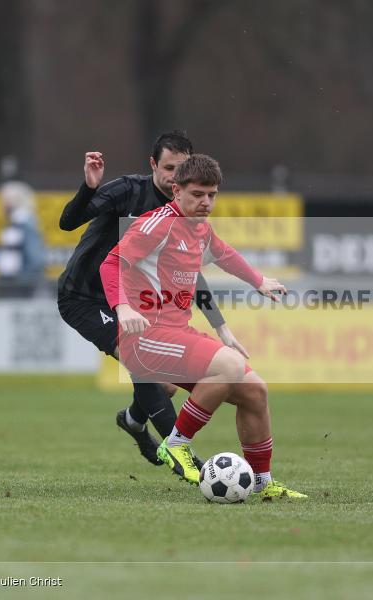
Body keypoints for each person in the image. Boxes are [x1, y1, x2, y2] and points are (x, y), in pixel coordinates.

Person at [100, 154, 306, 499]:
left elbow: (224, 254)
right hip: (145, 337)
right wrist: (122, 309)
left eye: (212, 195)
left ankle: (263, 483)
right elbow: (111, 264)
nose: (206, 202)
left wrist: (258, 281)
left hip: (177, 334)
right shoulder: (157, 224)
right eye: (197, 194)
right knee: (230, 364)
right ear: (176, 191)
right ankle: (176, 445)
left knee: (255, 391)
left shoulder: (199, 228)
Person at [57, 131, 245, 467]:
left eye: (182, 167)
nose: (176, 175)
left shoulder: (184, 212)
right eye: (169, 167)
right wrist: (89, 185)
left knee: (167, 387)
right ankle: (184, 459)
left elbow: (191, 275)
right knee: (144, 370)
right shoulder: (129, 190)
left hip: (137, 306)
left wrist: (219, 324)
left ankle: (132, 420)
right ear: (152, 165)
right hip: (85, 297)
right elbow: (68, 222)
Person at [0, 181, 46, 296]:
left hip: (21, 287)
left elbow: (35, 258)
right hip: (16, 285)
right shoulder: (17, 223)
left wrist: (22, 281)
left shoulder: (24, 224)